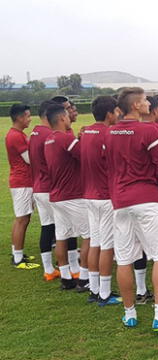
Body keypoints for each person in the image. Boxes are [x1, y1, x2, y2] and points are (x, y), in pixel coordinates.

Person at [105, 87, 158, 331]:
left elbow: (109, 166)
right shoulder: (149, 131)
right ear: (136, 106)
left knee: (125, 259)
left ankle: (130, 313)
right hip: (146, 198)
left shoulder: (109, 134)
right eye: (144, 101)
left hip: (120, 201)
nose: (149, 104)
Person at [43, 104, 91, 291]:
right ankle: (84, 277)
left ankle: (65, 277)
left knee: (62, 236)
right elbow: (84, 155)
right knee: (89, 236)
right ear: (62, 118)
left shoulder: (50, 139)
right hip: (73, 195)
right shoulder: (65, 138)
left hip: (57, 195)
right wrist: (85, 140)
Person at [81, 96, 122, 306]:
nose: (118, 115)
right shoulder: (109, 134)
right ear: (109, 114)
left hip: (89, 195)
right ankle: (105, 293)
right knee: (107, 246)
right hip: (105, 196)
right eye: (116, 111)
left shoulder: (86, 131)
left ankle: (94, 287)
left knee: (95, 242)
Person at [6, 104, 39, 269]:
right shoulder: (15, 136)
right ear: (19, 117)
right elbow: (29, 159)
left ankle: (17, 253)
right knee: (22, 219)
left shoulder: (17, 134)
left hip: (22, 181)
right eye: (27, 115)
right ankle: (18, 258)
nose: (30, 118)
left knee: (23, 218)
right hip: (22, 182)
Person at [30, 100, 60, 280]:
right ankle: (69, 268)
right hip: (49, 187)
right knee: (65, 229)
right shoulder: (49, 135)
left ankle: (49, 269)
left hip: (38, 186)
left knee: (47, 227)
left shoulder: (34, 132)